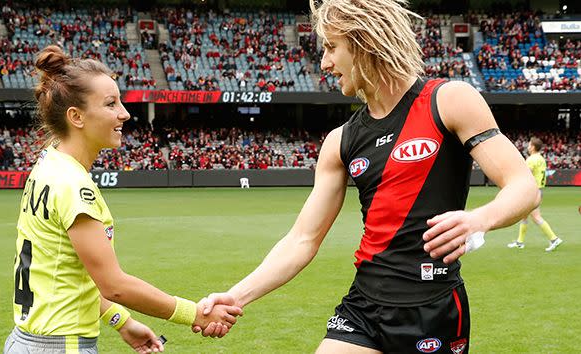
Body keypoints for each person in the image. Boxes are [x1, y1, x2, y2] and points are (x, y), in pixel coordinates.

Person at [192, 0, 540, 353]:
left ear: (363, 42)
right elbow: (302, 240)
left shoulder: (448, 100)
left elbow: (524, 186)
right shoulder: (339, 141)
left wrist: (479, 220)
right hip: (363, 307)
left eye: (331, 47)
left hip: (432, 306)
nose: (325, 63)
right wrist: (235, 296)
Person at [4, 46, 241, 354]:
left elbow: (73, 276)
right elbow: (113, 285)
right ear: (76, 117)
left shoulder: (48, 165)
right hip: (60, 347)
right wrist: (195, 313)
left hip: (27, 341)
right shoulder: (73, 186)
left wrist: (123, 322)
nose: (124, 113)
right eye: (110, 104)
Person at [507, 137, 563, 251]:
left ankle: (554, 239)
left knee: (536, 217)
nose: (527, 147)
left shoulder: (531, 160)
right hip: (537, 190)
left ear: (532, 147)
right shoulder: (541, 159)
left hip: (532, 191)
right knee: (524, 216)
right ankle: (520, 242)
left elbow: (525, 175)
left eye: (529, 145)